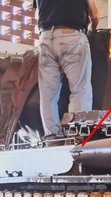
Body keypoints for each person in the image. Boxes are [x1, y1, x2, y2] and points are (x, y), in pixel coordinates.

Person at [33, 0, 99, 138]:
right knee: (80, 90)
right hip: (72, 35)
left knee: (48, 95)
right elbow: (95, 14)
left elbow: (38, 13)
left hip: (45, 38)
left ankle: (52, 139)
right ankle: (76, 136)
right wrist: (92, 29)